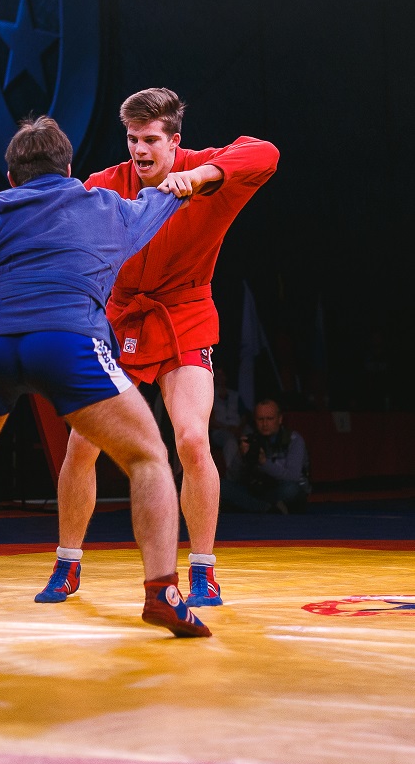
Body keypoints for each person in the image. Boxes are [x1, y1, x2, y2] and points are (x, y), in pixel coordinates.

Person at [0, 115, 211, 638]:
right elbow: (161, 201)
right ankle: (162, 593)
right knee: (148, 456)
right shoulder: (104, 206)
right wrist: (192, 179)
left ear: (12, 176)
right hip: (68, 341)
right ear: (70, 169)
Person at [35, 88, 279, 607]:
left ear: (174, 141)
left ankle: (203, 571)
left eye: (149, 139)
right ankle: (67, 563)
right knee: (82, 443)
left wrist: (204, 175)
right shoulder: (107, 184)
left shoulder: (206, 175)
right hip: (120, 317)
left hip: (184, 315)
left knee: (191, 439)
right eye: (132, 139)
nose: (139, 149)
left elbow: (266, 153)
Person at [220, 398, 310, 514]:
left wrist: (264, 462)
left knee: (292, 490)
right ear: (255, 420)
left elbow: (293, 477)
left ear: (280, 419)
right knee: (220, 486)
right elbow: (231, 478)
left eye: (270, 419)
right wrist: (240, 456)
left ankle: (255, 507)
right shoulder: (251, 440)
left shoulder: (294, 440)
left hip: (282, 489)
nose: (265, 424)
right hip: (259, 491)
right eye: (260, 419)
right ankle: (267, 509)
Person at [209, 366, 246, 475]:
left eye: (222, 374)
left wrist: (239, 428)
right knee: (230, 441)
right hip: (220, 430)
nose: (220, 377)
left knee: (250, 437)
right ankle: (233, 474)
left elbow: (244, 415)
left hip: (238, 427)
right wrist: (228, 428)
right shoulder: (209, 395)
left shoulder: (235, 395)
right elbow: (210, 421)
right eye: (217, 375)